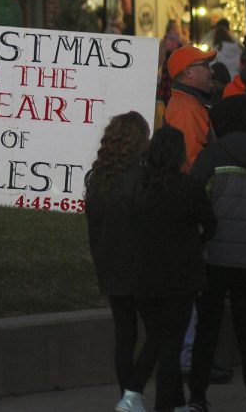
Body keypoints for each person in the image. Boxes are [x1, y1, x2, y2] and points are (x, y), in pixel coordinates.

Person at [186, 95, 246, 412]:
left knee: (207, 328)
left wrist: (202, 238)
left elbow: (195, 201)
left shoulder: (211, 156)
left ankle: (197, 397)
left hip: (213, 254)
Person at [125, 126, 216, 412]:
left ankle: (132, 394)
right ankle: (161, 404)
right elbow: (211, 225)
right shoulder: (188, 187)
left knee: (155, 339)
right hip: (180, 278)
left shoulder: (139, 186)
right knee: (170, 346)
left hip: (144, 276)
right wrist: (195, 240)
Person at [85, 111, 153, 412]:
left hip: (109, 263)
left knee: (125, 335)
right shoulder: (140, 178)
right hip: (139, 264)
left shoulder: (97, 177)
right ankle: (132, 392)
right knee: (159, 333)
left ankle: (128, 394)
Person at [163, 45, 215, 171]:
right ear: (188, 72)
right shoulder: (185, 109)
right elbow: (192, 164)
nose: (211, 71)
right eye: (205, 65)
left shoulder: (189, 104)